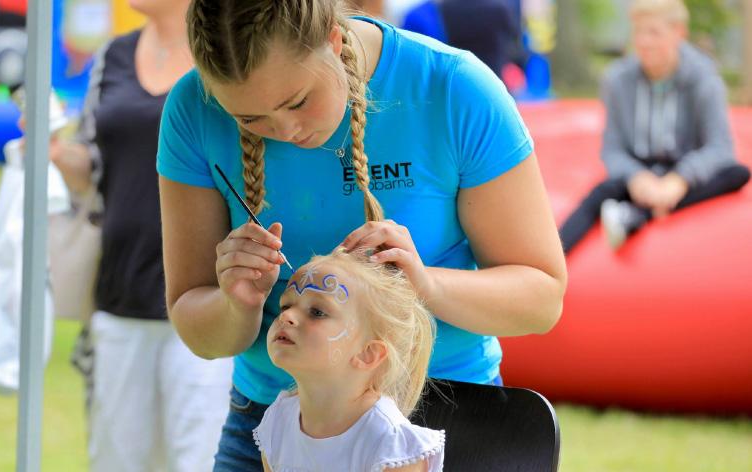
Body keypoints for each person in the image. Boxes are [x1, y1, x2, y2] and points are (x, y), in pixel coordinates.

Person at [157, 1, 566, 469]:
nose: (286, 131)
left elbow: (541, 300)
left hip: (446, 416)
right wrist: (237, 304)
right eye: (250, 119)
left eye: (297, 101)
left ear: (333, 39)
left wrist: (426, 284)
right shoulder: (192, 110)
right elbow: (200, 333)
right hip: (275, 424)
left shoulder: (452, 87)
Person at [47, 0, 233, 470]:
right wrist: (58, 154)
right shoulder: (113, 55)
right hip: (121, 293)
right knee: (116, 459)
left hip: (209, 298)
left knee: (200, 458)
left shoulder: (228, 51)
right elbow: (94, 170)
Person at [559, 0, 750, 253]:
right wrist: (636, 177)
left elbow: (720, 147)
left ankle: (638, 215)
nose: (644, 42)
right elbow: (612, 149)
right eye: (638, 32)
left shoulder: (704, 79)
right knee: (597, 195)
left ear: (679, 32)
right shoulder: (617, 79)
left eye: (654, 32)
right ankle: (552, 259)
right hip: (639, 174)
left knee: (737, 173)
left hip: (684, 174)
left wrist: (680, 180)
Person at [255, 248, 444, 471]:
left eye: (317, 312)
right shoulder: (278, 422)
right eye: (285, 306)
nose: (286, 316)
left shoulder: (389, 447)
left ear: (368, 353)